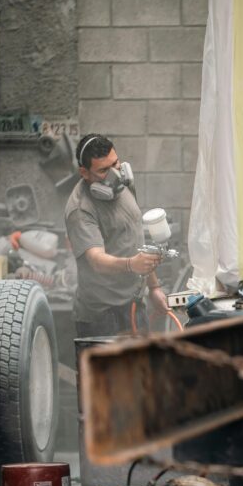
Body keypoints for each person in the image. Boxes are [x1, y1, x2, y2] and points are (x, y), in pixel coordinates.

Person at [65, 134, 169, 338]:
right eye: (103, 170)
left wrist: (154, 288)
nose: (115, 174)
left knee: (141, 369)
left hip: (135, 305)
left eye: (116, 163)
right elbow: (95, 259)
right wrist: (131, 264)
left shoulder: (124, 185)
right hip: (102, 317)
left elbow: (137, 240)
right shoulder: (80, 209)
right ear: (84, 173)